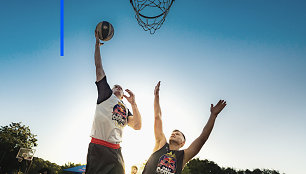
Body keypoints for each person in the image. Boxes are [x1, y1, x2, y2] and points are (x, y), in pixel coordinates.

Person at [85, 29, 142, 174]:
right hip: (98, 148)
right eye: (115, 86)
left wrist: (134, 104)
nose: (117, 87)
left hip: (116, 151)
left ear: (123, 95)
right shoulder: (106, 94)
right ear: (111, 89)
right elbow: (99, 68)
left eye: (120, 87)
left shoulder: (125, 108)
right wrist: (97, 45)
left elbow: (137, 125)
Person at [142, 81, 227, 174]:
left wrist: (213, 116)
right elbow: (157, 117)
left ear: (183, 143)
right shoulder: (161, 143)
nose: (174, 133)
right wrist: (156, 97)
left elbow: (202, 138)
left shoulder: (184, 156)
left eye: (178, 134)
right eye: (173, 133)